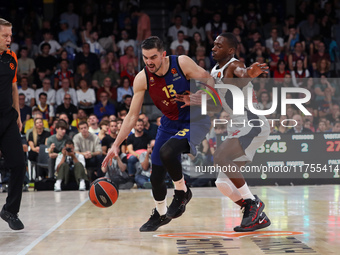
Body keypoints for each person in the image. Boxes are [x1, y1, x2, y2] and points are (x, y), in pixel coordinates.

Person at [102, 36, 212, 232]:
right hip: (169, 123)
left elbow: (210, 81)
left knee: (167, 151)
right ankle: (160, 214)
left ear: (163, 54)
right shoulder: (142, 78)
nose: (149, 62)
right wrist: (115, 145)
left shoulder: (182, 63)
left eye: (153, 57)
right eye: (145, 58)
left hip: (195, 120)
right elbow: (132, 116)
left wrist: (200, 97)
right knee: (156, 177)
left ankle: (181, 191)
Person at [209, 33, 271, 231]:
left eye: (219, 45)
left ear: (230, 50)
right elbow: (215, 103)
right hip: (237, 125)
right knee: (223, 183)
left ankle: (253, 204)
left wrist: (251, 73)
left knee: (220, 156)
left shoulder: (234, 65)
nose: (214, 48)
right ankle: (257, 216)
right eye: (214, 44)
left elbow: (243, 74)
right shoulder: (214, 70)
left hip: (252, 123)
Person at [0, 18, 26, 230]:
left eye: (10, 35)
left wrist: (17, 114)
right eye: (5, 36)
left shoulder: (12, 58)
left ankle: (10, 210)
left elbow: (14, 88)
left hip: (8, 119)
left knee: (19, 163)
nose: (9, 39)